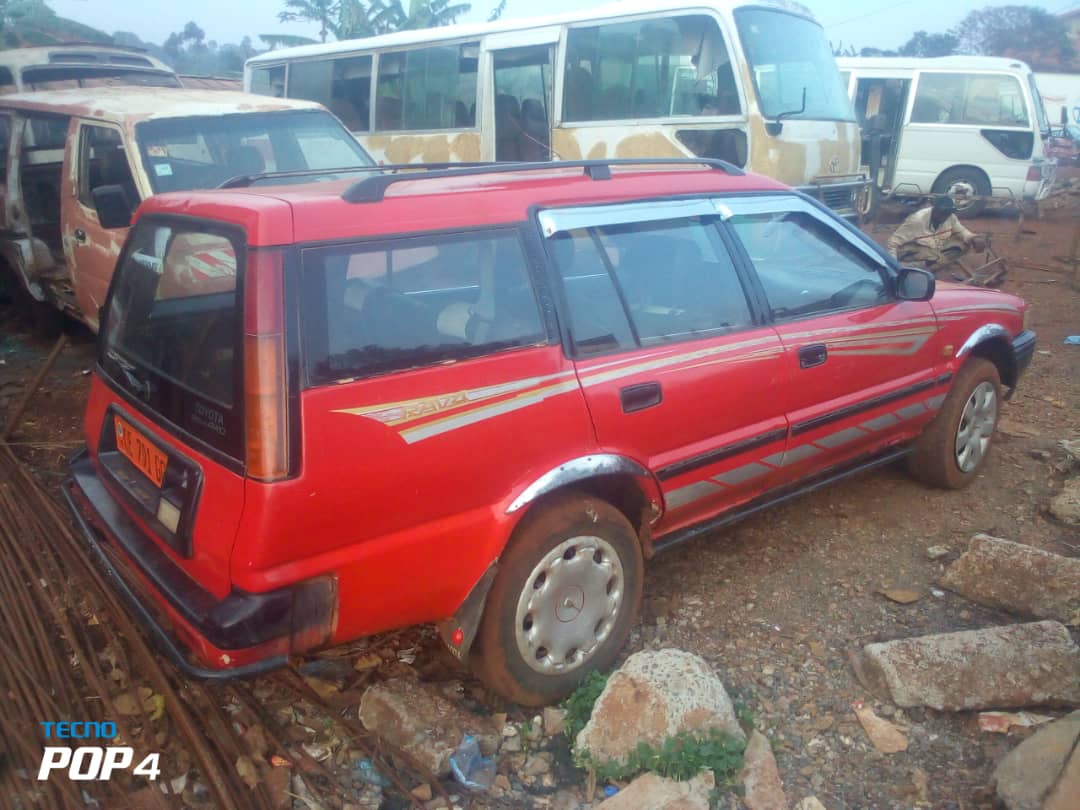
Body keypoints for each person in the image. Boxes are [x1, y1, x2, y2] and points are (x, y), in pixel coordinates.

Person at [887, 196, 986, 271]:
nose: (944, 216)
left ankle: (934, 265)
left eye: (946, 213)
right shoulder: (917, 220)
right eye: (941, 213)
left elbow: (961, 231)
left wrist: (973, 237)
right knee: (937, 258)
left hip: (934, 248)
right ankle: (907, 269)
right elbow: (893, 242)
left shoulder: (950, 216)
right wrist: (893, 267)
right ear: (934, 209)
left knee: (963, 245)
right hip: (912, 250)